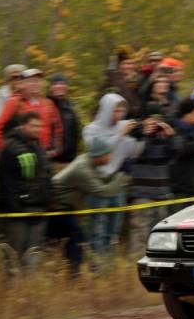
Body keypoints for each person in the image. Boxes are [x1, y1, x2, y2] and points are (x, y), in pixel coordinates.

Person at [50, 138, 130, 275]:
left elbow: (98, 183)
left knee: (73, 239)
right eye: (108, 154)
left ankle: (70, 272)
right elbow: (102, 192)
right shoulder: (83, 169)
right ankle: (73, 274)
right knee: (76, 238)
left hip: (62, 208)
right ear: (99, 155)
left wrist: (116, 175)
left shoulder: (86, 161)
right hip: (56, 209)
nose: (110, 157)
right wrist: (122, 177)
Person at [82, 93, 143, 256]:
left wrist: (140, 137)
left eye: (122, 111)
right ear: (106, 110)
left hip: (117, 182)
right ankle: (96, 266)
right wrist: (120, 135)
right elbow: (98, 150)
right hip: (98, 182)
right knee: (98, 229)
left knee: (113, 229)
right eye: (115, 111)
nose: (119, 115)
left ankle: (108, 266)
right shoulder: (91, 129)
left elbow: (133, 153)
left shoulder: (124, 126)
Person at [0, 112, 53, 270]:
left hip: (39, 208)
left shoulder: (39, 147)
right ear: (23, 125)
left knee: (34, 253)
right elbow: (5, 181)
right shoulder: (11, 147)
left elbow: (46, 175)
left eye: (40, 126)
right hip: (19, 210)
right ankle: (11, 288)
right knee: (14, 253)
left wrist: (49, 198)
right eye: (34, 126)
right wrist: (15, 207)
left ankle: (30, 288)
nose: (38, 129)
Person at [127, 115, 176, 254]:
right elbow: (135, 153)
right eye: (151, 120)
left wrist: (171, 137)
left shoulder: (164, 139)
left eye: (157, 121)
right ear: (144, 120)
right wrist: (146, 134)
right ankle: (136, 261)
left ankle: (159, 258)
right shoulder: (136, 135)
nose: (154, 124)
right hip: (142, 193)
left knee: (161, 230)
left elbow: (177, 154)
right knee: (140, 229)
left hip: (162, 192)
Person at [0, 69, 63, 157]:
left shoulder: (48, 103)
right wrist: (5, 149)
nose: (35, 84)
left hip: (44, 155)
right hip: (22, 155)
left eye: (38, 81)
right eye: (31, 81)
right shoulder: (14, 102)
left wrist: (56, 149)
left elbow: (58, 128)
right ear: (23, 84)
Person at [47, 74, 81, 171]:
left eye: (62, 83)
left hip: (71, 160)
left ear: (66, 87)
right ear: (51, 88)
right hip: (53, 161)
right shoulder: (46, 105)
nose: (59, 86)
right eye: (56, 84)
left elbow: (76, 131)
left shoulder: (70, 106)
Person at [99, 49, 142, 119]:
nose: (129, 67)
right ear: (119, 65)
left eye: (131, 64)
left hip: (135, 117)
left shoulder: (138, 78)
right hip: (118, 117)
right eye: (126, 64)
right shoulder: (114, 78)